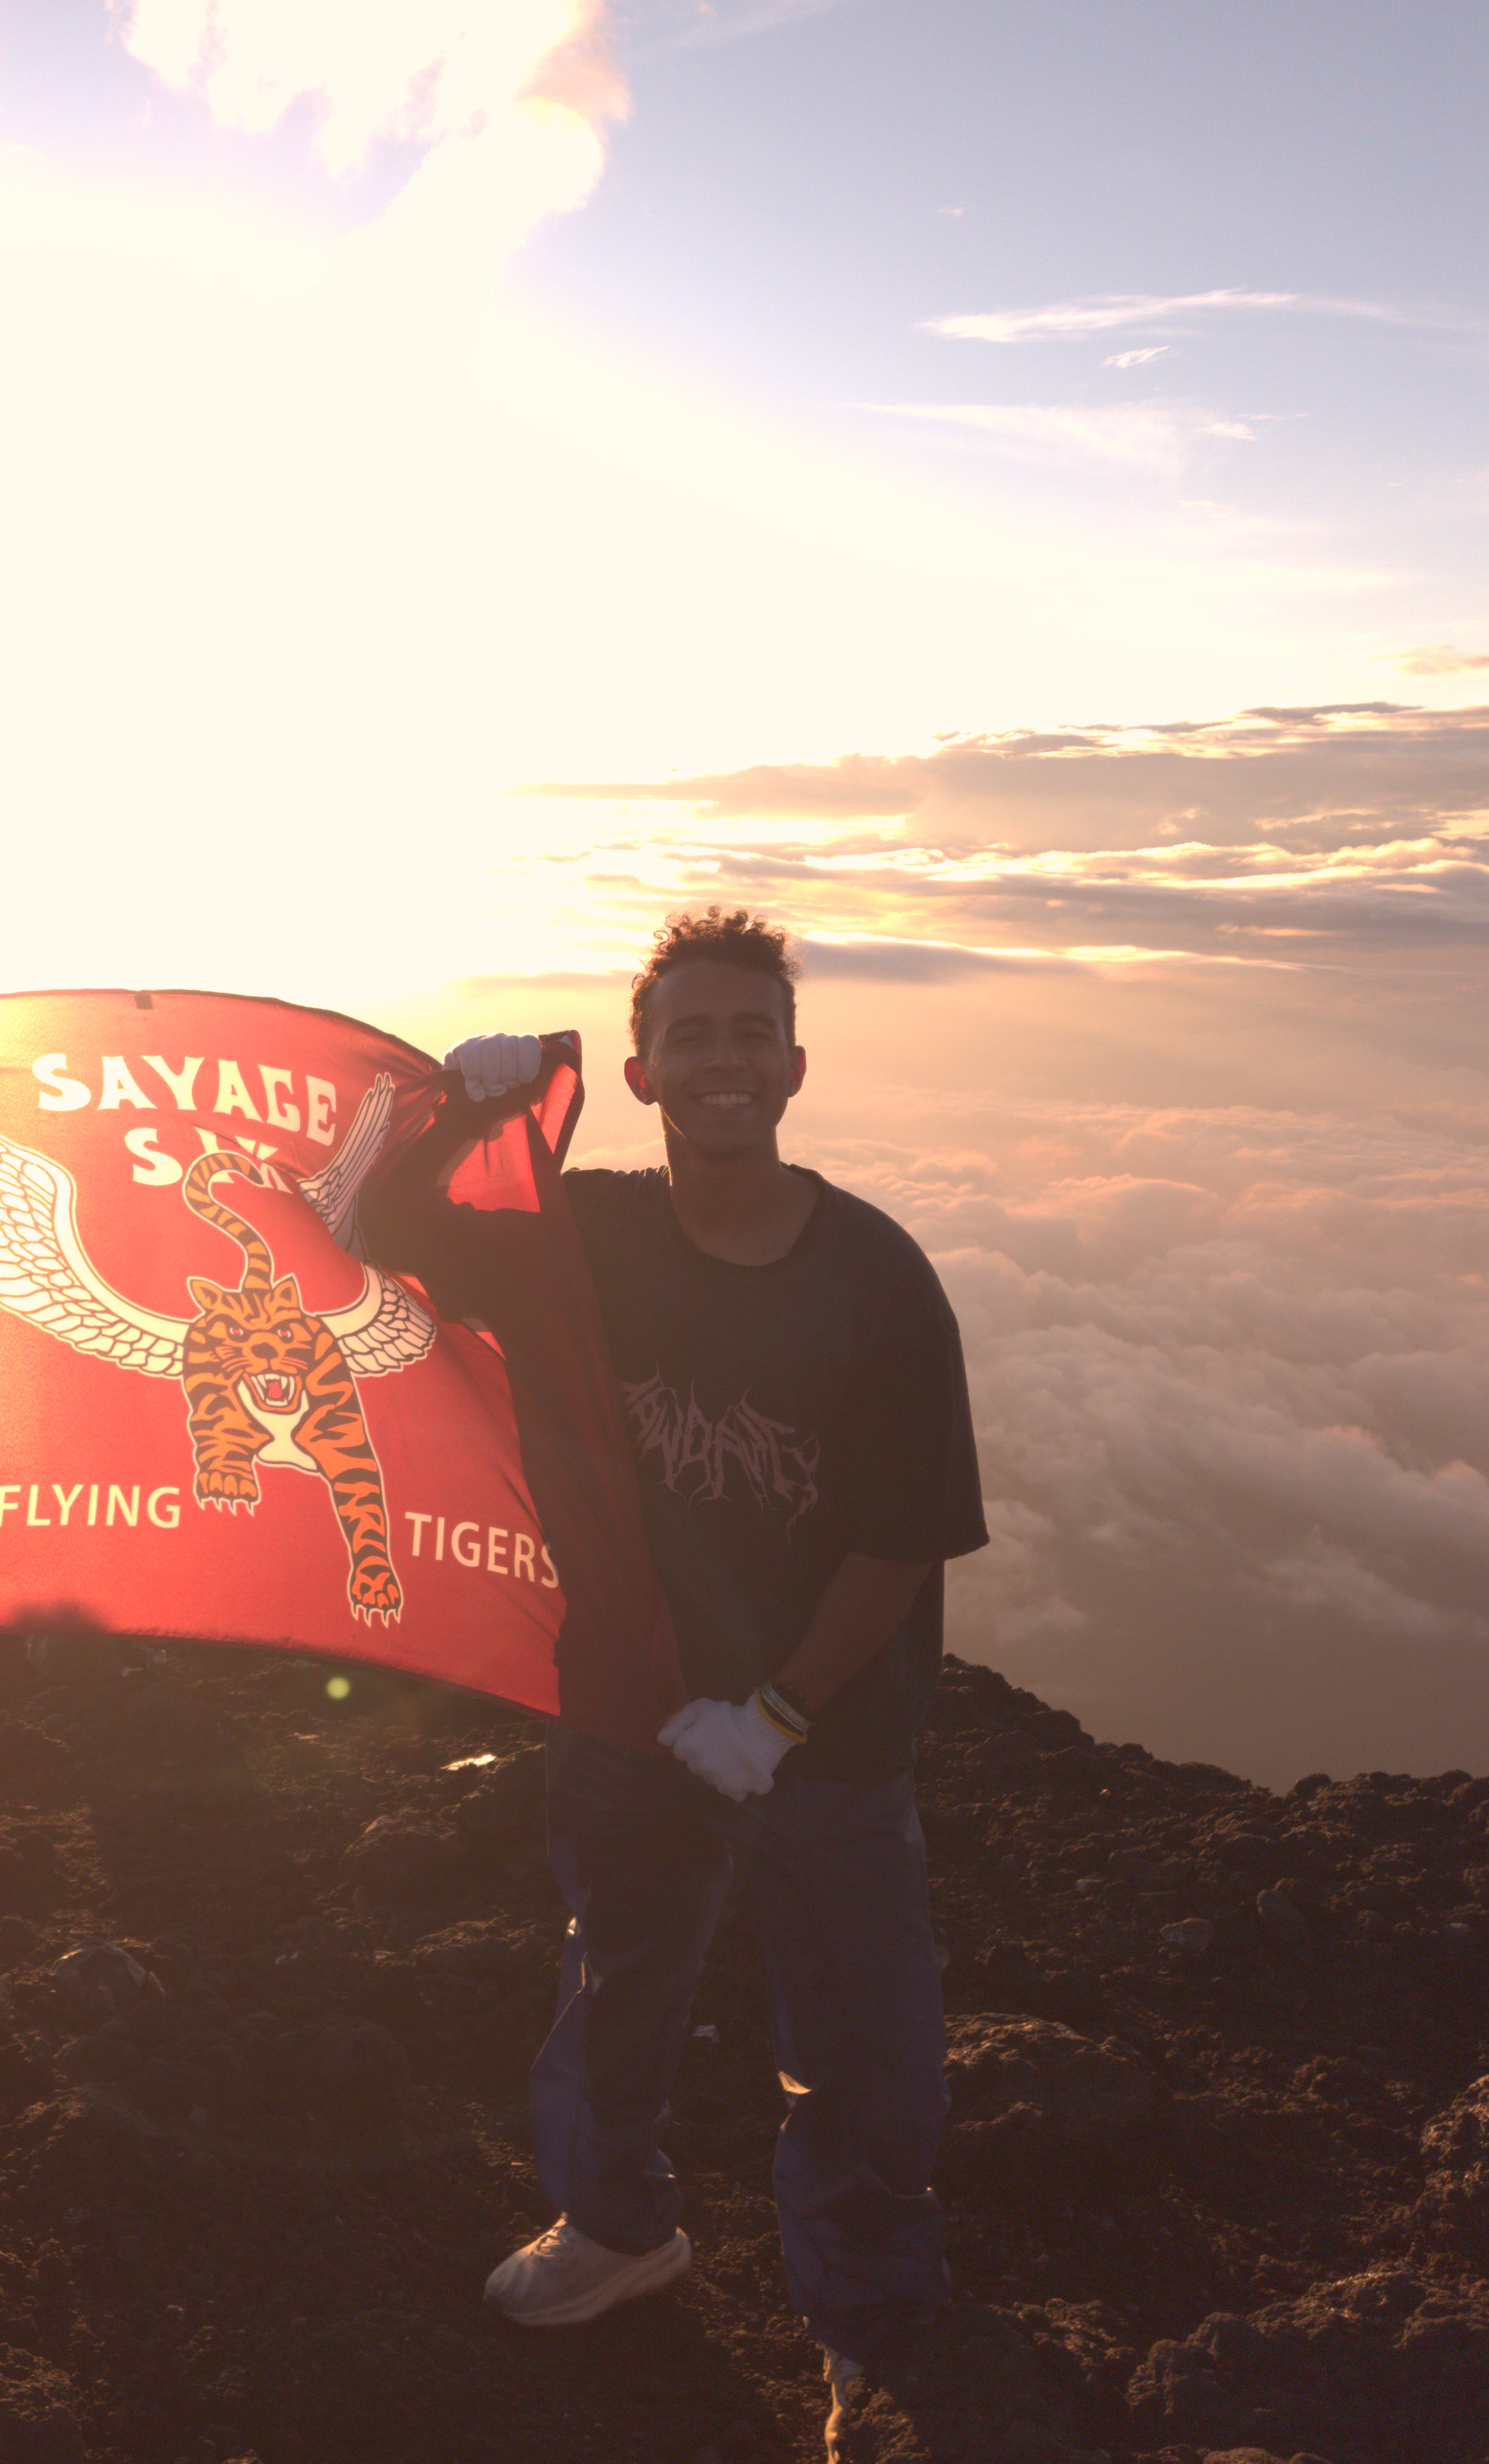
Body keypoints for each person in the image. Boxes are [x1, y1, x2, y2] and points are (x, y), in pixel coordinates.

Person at [368, 908, 985, 2453]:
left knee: (864, 2041)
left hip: (825, 1742)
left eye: (748, 1035)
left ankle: (864, 2319)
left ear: (792, 1065)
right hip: (630, 1709)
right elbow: (382, 1233)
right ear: (639, 1073)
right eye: (690, 1038)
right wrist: (463, 1110)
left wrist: (770, 1721)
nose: (723, 1061)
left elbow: (902, 1539)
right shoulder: (592, 1240)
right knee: (620, 1979)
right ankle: (618, 2225)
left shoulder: (877, 1278)